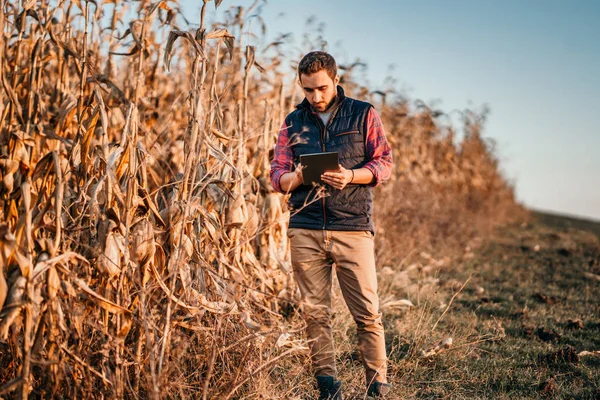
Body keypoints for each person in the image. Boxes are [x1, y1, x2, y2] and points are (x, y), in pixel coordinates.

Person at [270, 51, 393, 399]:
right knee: (315, 314)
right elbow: (275, 175)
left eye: (322, 88)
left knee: (368, 313)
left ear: (336, 81)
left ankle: (377, 387)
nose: (316, 96)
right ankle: (328, 387)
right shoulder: (293, 122)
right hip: (305, 227)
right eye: (308, 90)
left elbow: (383, 164)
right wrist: (293, 177)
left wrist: (352, 176)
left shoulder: (363, 113)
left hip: (352, 227)